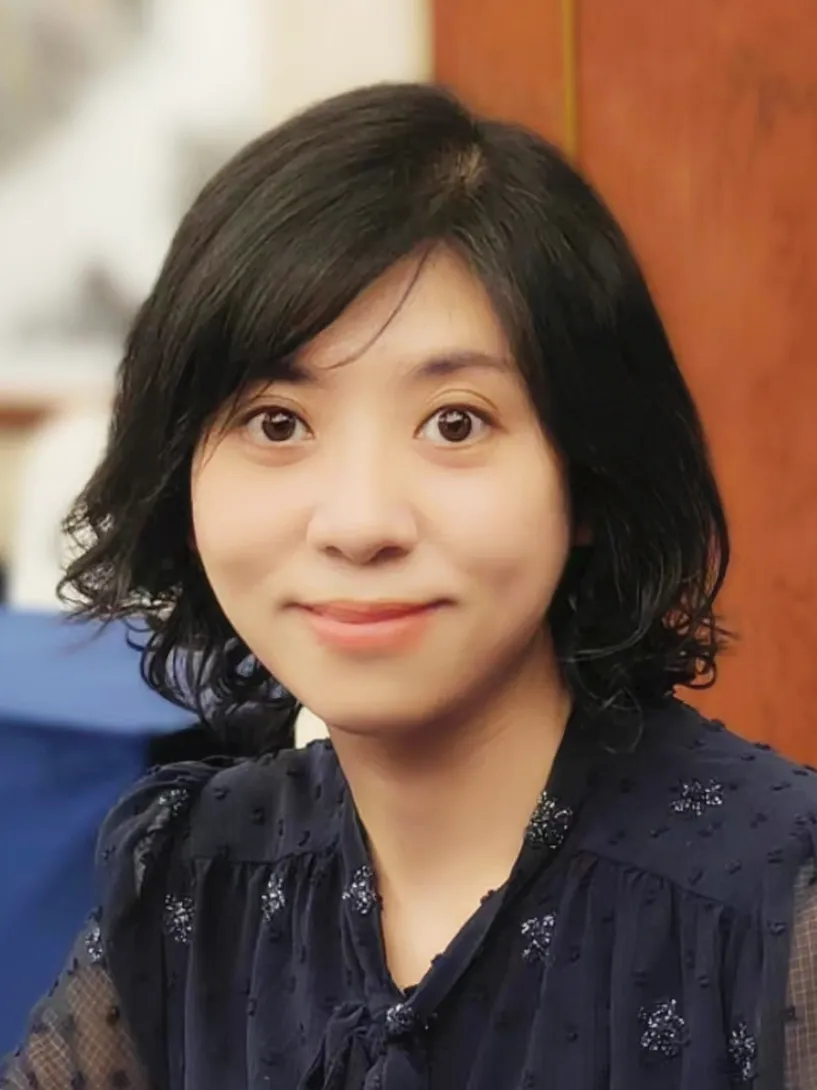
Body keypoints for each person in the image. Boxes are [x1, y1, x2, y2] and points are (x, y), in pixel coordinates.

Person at [2, 81, 815, 1090]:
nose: (358, 524)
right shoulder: (193, 877)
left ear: (588, 474)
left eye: (455, 423)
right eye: (277, 423)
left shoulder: (775, 901)